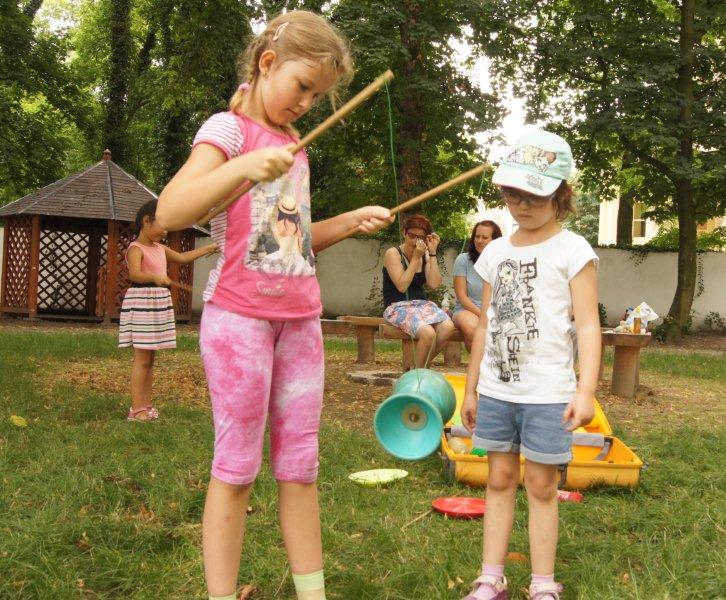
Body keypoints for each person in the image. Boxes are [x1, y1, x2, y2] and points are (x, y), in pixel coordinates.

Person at [155, 11, 393, 600]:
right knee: (237, 468)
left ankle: (312, 594)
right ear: (267, 63)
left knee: (300, 467)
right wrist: (241, 164)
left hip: (301, 324)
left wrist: (348, 220)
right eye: (303, 86)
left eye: (317, 95)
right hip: (239, 322)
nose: (307, 103)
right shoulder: (229, 131)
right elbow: (169, 211)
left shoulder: (292, 146)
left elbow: (290, 242)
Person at [460, 131, 600, 600]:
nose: (521, 205)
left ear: (560, 193)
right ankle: (490, 578)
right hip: (498, 391)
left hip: (548, 394)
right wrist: (471, 389)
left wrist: (585, 391)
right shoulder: (495, 252)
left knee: (541, 485)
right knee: (498, 478)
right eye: (512, 195)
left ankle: (542, 584)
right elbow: (484, 326)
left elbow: (587, 326)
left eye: (534, 195)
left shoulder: (574, 250)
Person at [119, 199, 217, 422]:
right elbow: (134, 274)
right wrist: (155, 277)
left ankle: (145, 406)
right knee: (142, 359)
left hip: (157, 303)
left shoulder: (160, 248)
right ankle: (136, 410)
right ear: (146, 221)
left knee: (150, 360)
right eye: (163, 226)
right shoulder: (136, 248)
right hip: (143, 303)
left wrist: (209, 248)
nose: (165, 232)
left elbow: (182, 258)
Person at [382, 214, 456, 368]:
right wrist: (415, 259)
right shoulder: (393, 253)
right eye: (411, 236)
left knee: (448, 327)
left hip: (421, 305)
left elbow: (434, 284)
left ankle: (418, 369)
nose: (415, 241)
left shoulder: (425, 254)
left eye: (420, 237)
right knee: (428, 333)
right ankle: (418, 373)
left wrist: (432, 253)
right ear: (404, 233)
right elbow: (402, 286)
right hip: (397, 306)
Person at [452, 220, 502, 350]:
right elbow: (462, 296)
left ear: (495, 241)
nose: (479, 241)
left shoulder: (502, 263)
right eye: (477, 236)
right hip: (466, 310)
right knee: (473, 328)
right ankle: (480, 363)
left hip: (494, 312)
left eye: (485, 237)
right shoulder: (463, 259)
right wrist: (483, 315)